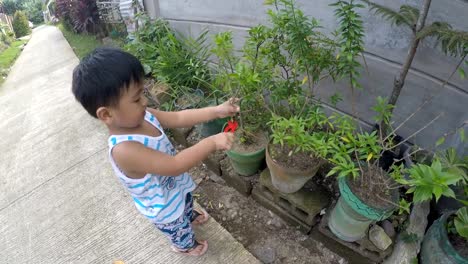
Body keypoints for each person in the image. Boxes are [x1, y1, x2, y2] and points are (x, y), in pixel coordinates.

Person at [71, 47, 238, 256]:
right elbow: (175, 166)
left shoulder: (144, 114)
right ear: (106, 114)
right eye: (136, 98)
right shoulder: (125, 150)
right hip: (163, 206)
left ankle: (187, 214)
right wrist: (212, 142)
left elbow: (178, 118)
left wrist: (217, 110)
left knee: (185, 200)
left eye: (143, 93)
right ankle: (185, 246)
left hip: (172, 189)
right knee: (178, 228)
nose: (145, 101)